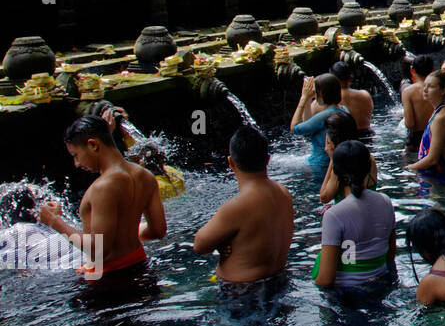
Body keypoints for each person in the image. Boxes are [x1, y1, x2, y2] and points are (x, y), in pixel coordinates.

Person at [38, 115, 166, 278]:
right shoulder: (146, 176)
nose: (76, 163)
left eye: (75, 155)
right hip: (142, 266)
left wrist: (54, 221)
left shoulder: (102, 187)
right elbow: (158, 231)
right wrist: (123, 232)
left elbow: (99, 251)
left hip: (109, 280)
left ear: (93, 145)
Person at [193, 126, 294, 286]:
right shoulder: (284, 193)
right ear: (267, 160)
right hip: (280, 281)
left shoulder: (238, 206)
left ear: (231, 162)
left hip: (242, 294)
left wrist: (219, 242)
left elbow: (199, 245)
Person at [312, 140, 396, 289]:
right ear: (368, 168)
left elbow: (325, 279)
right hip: (382, 282)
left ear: (336, 173)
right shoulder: (386, 201)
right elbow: (390, 254)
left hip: (348, 293)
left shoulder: (334, 215)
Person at [292, 74, 349, 173]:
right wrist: (308, 100)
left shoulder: (325, 116)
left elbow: (295, 129)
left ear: (321, 94)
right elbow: (308, 126)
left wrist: (303, 98)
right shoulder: (344, 110)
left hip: (320, 165)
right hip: (335, 162)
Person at [408, 71, 445, 181]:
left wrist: (407, 169)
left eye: (430, 86)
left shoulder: (441, 118)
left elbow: (432, 159)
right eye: (425, 85)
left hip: (437, 179)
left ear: (442, 90)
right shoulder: (443, 110)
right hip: (437, 175)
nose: (425, 90)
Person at [319, 110, 379, 205]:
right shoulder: (368, 157)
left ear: (334, 140)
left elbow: (324, 197)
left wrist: (332, 159)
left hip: (348, 216)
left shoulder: (342, 163)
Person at [401, 54, 436, 151]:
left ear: (412, 70)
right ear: (433, 70)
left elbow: (409, 123)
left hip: (418, 140)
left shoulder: (408, 92)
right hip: (439, 134)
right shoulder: (440, 87)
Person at [327, 60, 374, 132]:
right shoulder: (365, 95)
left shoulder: (330, 99)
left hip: (345, 137)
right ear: (351, 78)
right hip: (367, 134)